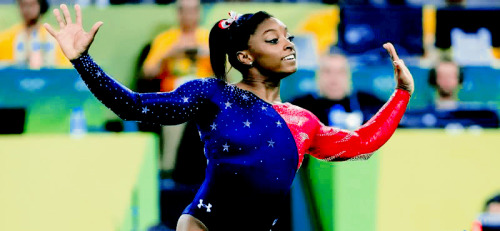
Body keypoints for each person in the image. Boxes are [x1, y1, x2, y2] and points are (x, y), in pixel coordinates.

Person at [44, 4, 414, 230]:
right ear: (245, 56)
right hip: (202, 226)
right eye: (273, 39)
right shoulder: (213, 94)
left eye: (288, 36)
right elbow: (132, 105)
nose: (288, 43)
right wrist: (83, 61)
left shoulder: (304, 122)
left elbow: (363, 143)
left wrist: (402, 94)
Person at [291, 52, 384, 130]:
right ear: (318, 76)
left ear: (348, 76)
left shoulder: (369, 103)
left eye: (340, 72)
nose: (334, 79)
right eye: (327, 71)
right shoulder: (299, 108)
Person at [141, 0, 212, 92]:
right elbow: (147, 73)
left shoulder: (209, 38)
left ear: (199, 12)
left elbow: (226, 77)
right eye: (184, 10)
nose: (188, 15)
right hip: (172, 93)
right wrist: (167, 55)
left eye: (192, 10)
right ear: (178, 13)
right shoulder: (165, 38)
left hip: (203, 91)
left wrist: (211, 56)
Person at [0, 0, 70, 69]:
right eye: (23, 5)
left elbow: (66, 69)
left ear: (40, 5)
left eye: (32, 4)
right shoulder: (6, 38)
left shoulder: (54, 37)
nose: (27, 9)